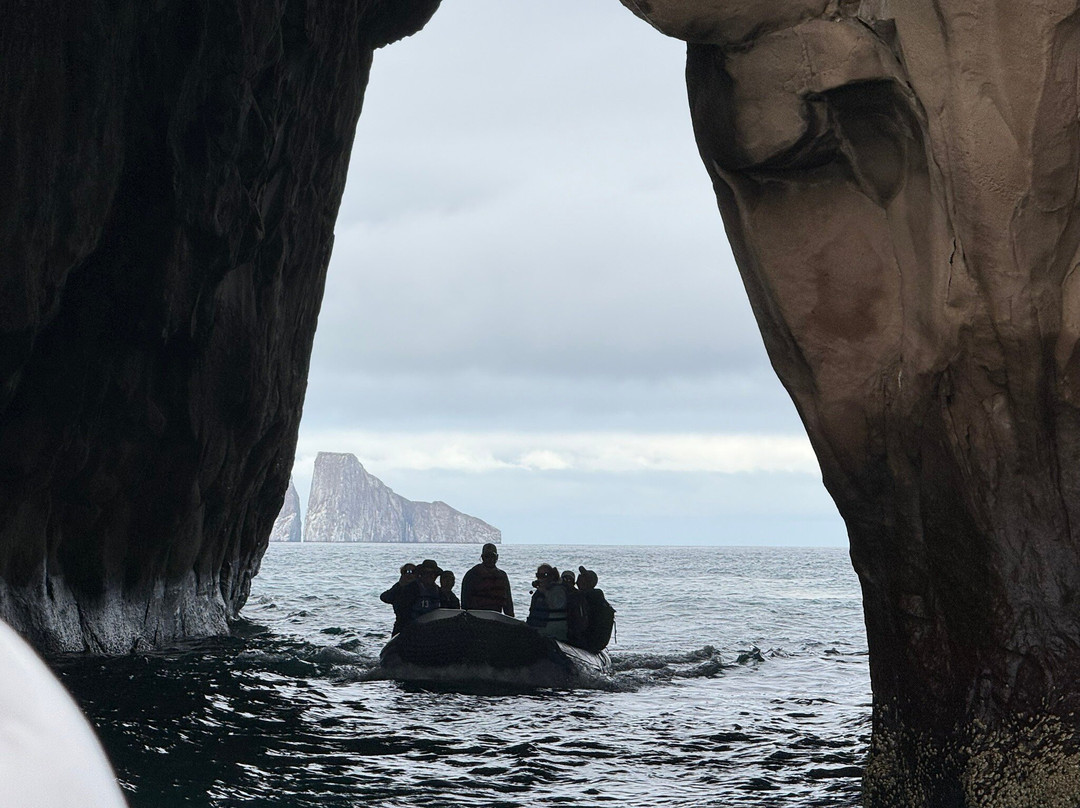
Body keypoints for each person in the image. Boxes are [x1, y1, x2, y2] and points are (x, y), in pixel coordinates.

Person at [460, 543, 514, 616]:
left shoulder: (502, 576)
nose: (490, 559)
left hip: (496, 617)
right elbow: (465, 601)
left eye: (492, 556)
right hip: (476, 618)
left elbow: (508, 603)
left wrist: (511, 621)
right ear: (482, 557)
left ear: (497, 557)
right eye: (487, 556)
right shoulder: (472, 574)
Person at [576, 566, 615, 652]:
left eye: (583, 579)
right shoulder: (596, 597)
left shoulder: (591, 597)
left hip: (589, 642)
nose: (578, 581)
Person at [526, 563, 569, 641]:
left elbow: (558, 604)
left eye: (544, 575)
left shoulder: (558, 590)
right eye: (538, 575)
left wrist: (546, 592)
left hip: (553, 633)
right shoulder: (539, 592)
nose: (541, 578)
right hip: (538, 630)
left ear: (551, 576)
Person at [379, 562, 416, 636]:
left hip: (418, 625)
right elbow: (384, 597)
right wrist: (400, 585)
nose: (409, 574)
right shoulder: (398, 588)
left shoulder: (422, 588)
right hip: (401, 625)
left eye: (412, 572)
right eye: (406, 572)